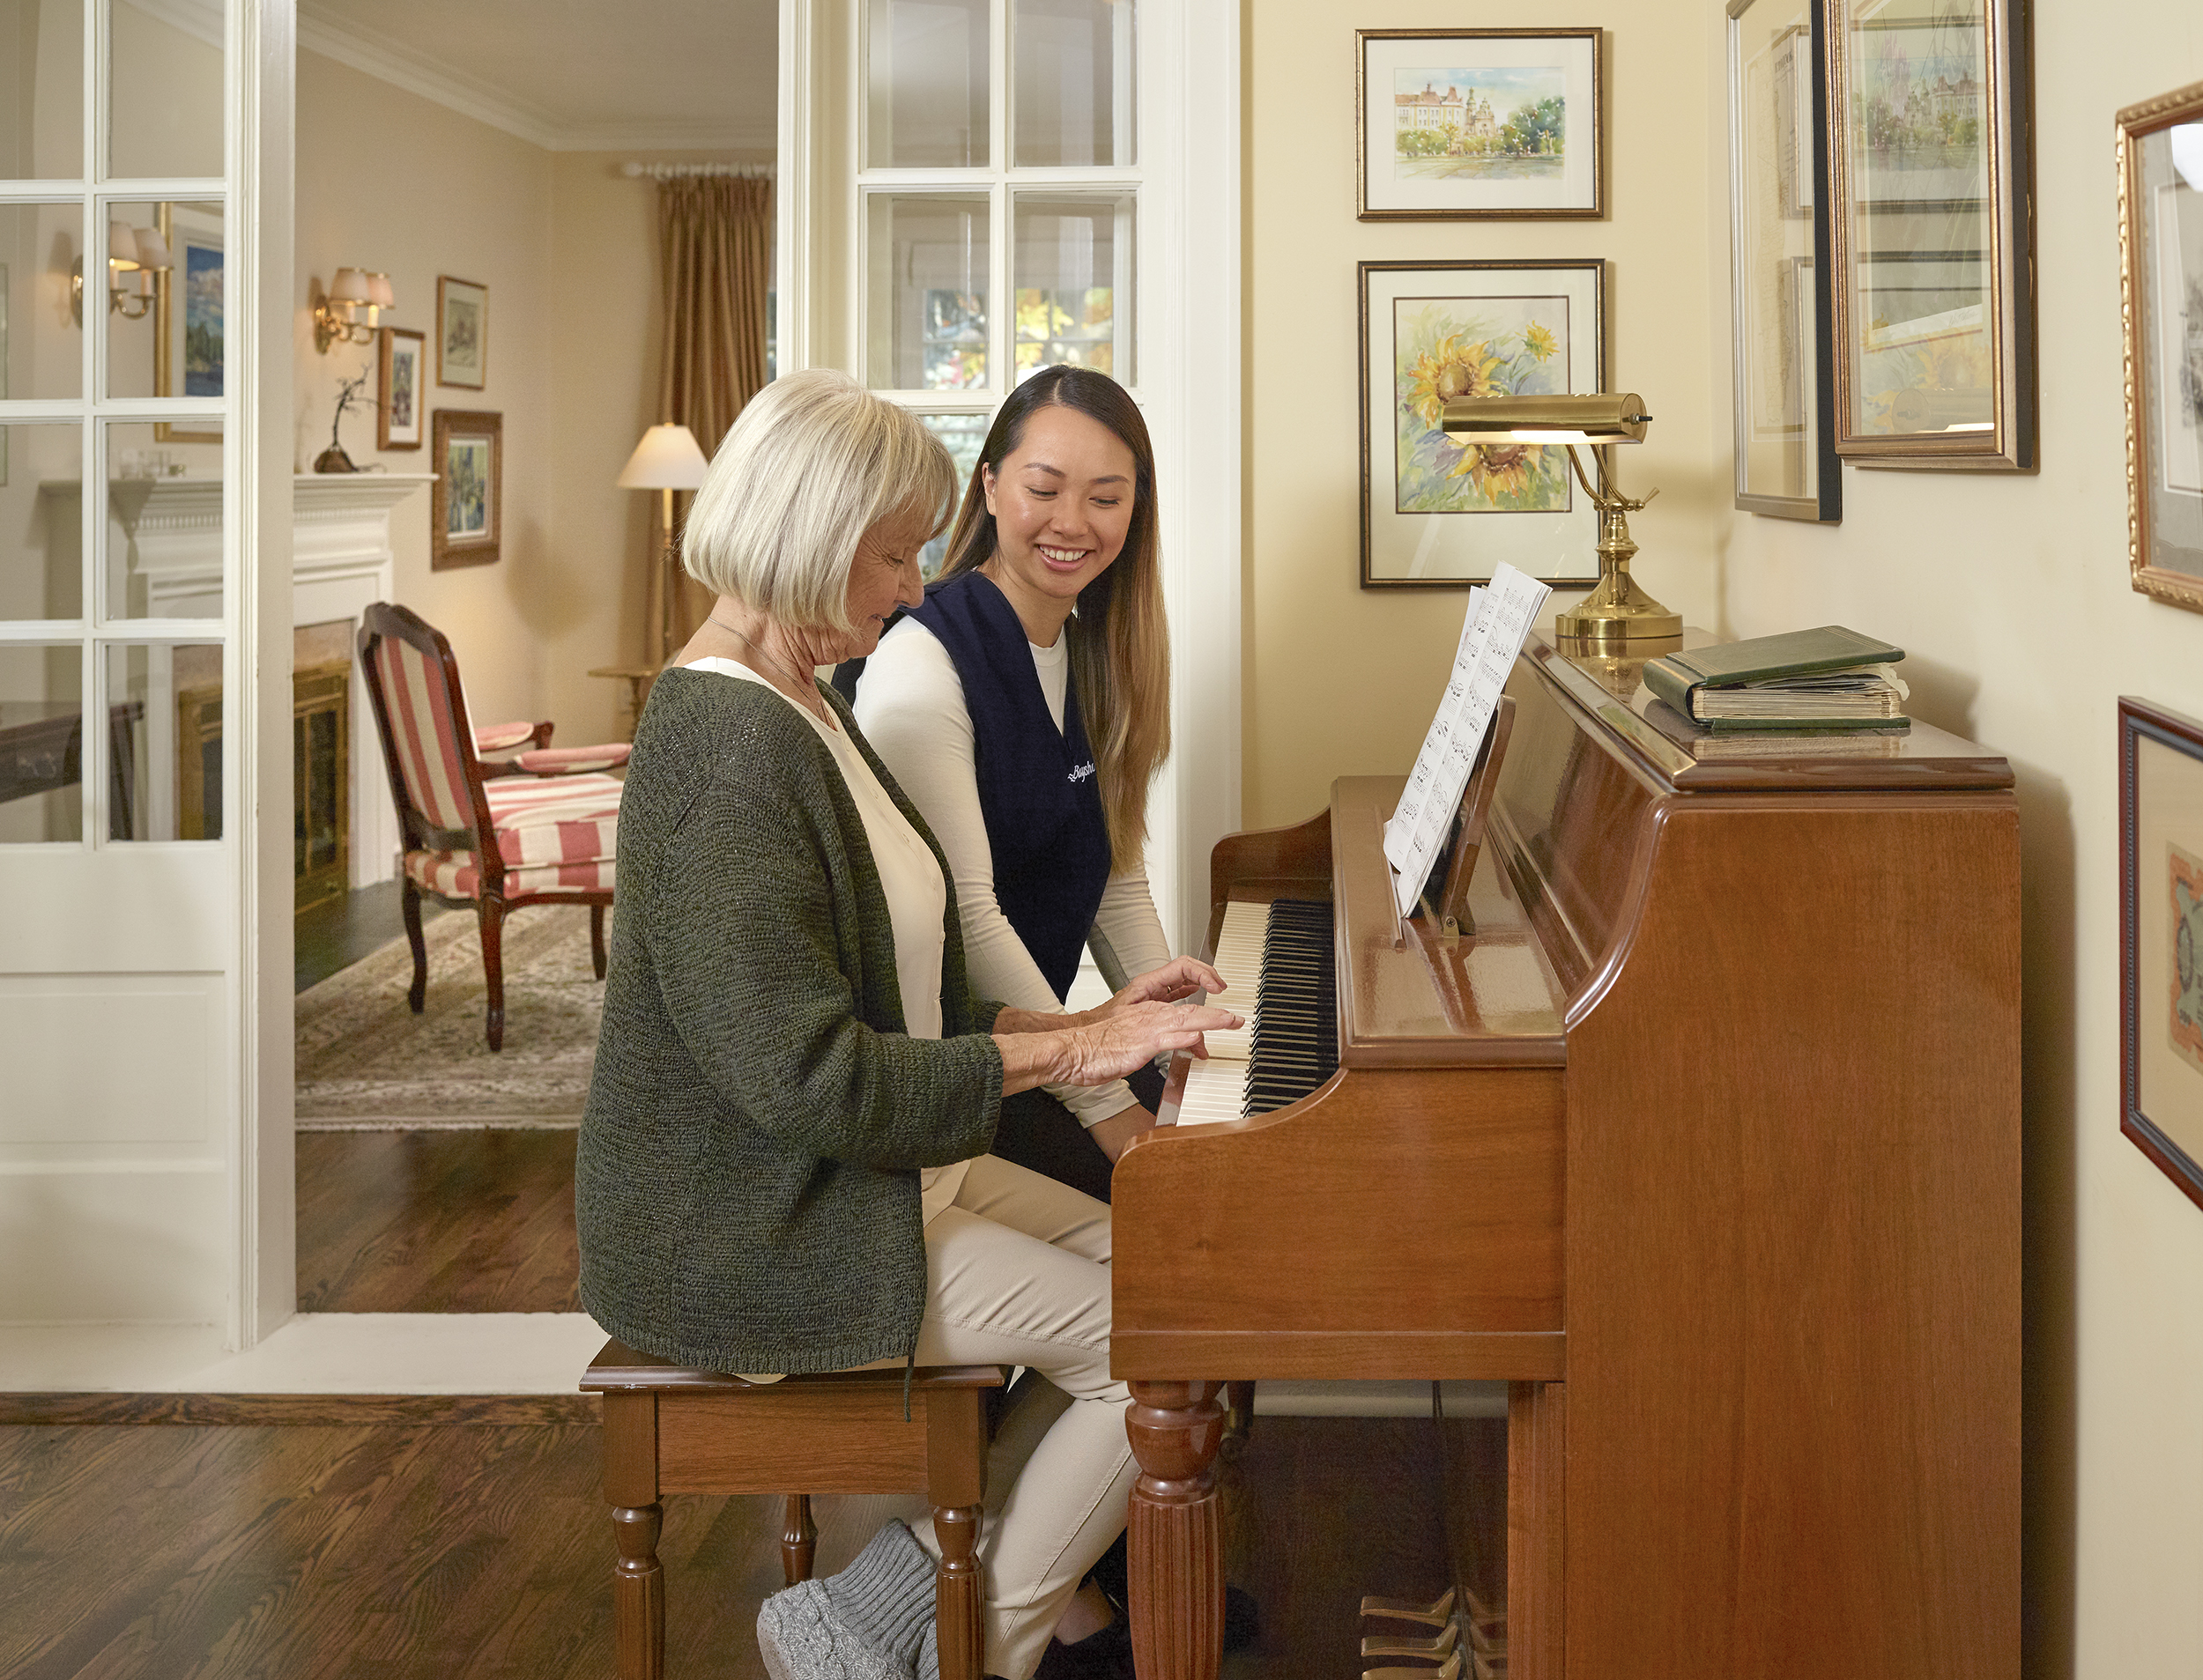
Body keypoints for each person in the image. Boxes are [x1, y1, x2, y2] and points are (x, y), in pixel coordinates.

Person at [574, 367, 1237, 1680]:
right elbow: (813, 1075)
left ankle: (899, 1615)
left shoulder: (808, 704)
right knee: (1148, 1359)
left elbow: (912, 980)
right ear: (808, 535)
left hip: (858, 1177)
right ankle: (961, 1651)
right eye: (891, 553)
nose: (912, 586)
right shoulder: (720, 743)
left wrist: (1111, 1015)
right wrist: (1077, 1052)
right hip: (760, 1221)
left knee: (1179, 1293)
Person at [842, 366, 1175, 1207]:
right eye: (1044, 488)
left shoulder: (1095, 650)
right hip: (949, 1078)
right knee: (1189, 1225)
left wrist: (1175, 1044)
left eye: (1106, 497)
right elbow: (969, 917)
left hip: (1041, 1053)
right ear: (990, 485)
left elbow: (1115, 880)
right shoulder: (922, 658)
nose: (1073, 523)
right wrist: (1109, 1104)